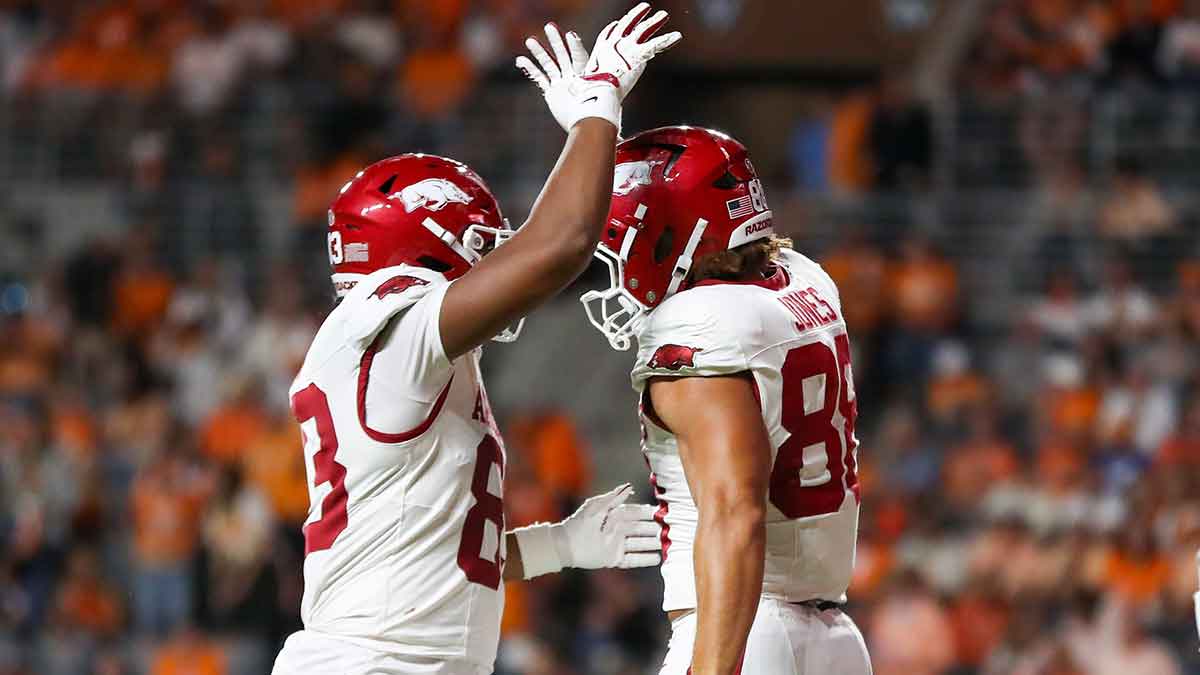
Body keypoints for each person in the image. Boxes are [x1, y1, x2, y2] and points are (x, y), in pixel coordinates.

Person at [270, 6, 682, 674]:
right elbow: (560, 245)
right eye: (479, 245)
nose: (492, 263)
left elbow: (433, 550)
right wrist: (598, 104)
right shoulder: (394, 328)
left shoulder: (400, 355)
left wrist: (559, 544)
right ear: (425, 246)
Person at [579, 126, 871, 673]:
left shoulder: (698, 323)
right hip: (833, 637)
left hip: (747, 632)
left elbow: (736, 514)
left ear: (680, 235)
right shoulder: (805, 279)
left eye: (629, 241)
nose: (621, 260)